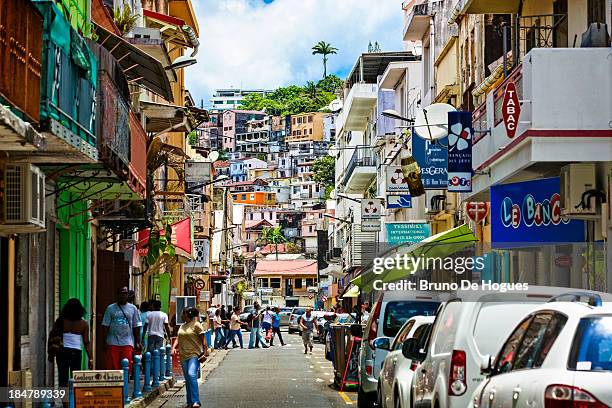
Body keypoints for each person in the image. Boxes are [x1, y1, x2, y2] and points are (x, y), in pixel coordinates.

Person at [48, 298, 93, 389]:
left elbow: (53, 336)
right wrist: (90, 358)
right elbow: (86, 342)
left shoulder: (60, 321)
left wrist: (51, 353)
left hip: (62, 352)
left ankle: (65, 402)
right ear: (80, 310)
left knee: (62, 378)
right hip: (76, 353)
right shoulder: (84, 324)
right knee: (75, 378)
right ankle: (73, 400)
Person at [172, 307, 207, 408]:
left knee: (191, 375)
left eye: (183, 314)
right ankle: (189, 402)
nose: (181, 316)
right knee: (187, 379)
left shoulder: (196, 325)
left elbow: (203, 340)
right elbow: (178, 338)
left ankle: (196, 401)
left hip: (194, 355)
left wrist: (204, 353)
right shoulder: (182, 326)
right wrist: (173, 348)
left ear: (187, 315)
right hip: (183, 355)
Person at [101, 286, 142, 370]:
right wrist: (105, 341)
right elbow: (105, 326)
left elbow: (136, 325)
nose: (123, 296)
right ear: (117, 295)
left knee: (126, 367)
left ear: (128, 295)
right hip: (112, 342)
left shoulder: (133, 308)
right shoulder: (110, 308)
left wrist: (138, 341)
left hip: (127, 342)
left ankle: (125, 382)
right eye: (121, 293)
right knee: (113, 367)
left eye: (125, 293)